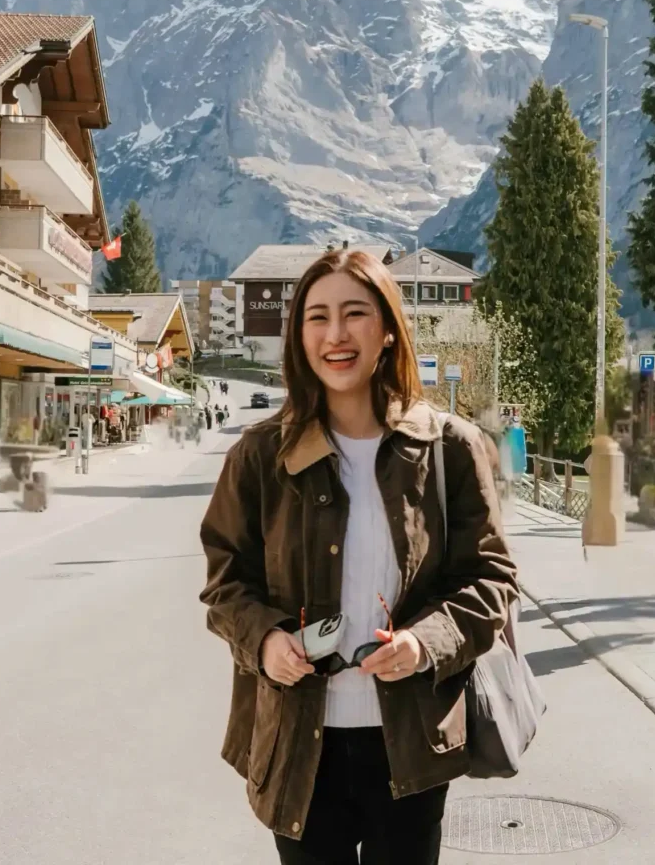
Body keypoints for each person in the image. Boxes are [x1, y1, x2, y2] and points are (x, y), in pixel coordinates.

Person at [199, 248, 517, 864]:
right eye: (317, 317)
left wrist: (426, 643)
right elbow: (224, 583)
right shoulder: (260, 455)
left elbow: (491, 577)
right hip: (297, 745)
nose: (336, 334)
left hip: (413, 740)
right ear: (300, 337)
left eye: (354, 314)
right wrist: (265, 640)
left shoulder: (450, 447)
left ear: (388, 331)